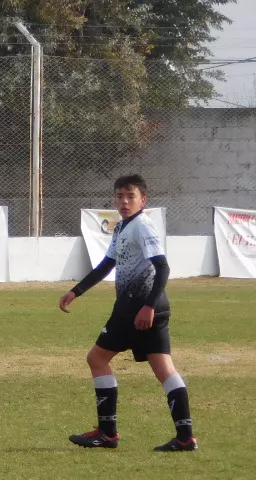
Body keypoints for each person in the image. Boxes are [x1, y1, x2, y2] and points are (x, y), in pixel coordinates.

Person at [61, 173, 197, 451]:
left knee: (97, 359)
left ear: (143, 200)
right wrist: (76, 291)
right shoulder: (123, 227)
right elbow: (106, 265)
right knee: (164, 370)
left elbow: (163, 267)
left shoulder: (142, 227)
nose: (124, 201)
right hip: (147, 307)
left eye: (130, 196)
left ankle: (107, 433)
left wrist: (147, 306)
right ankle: (185, 438)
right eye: (120, 196)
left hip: (137, 308)